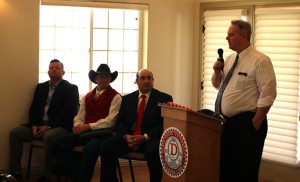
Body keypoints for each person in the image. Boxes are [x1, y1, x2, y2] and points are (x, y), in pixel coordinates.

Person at [211, 20, 277, 182]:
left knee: (244, 171)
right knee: (225, 169)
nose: (227, 38)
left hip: (247, 124)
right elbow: (217, 85)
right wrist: (216, 71)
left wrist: (256, 121)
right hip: (226, 124)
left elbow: (268, 93)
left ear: (244, 36)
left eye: (231, 34)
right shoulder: (230, 59)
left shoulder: (260, 60)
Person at [8, 59, 79, 182]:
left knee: (48, 136)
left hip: (58, 127)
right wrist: (34, 125)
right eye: (51, 67)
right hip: (39, 126)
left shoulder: (71, 88)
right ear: (48, 71)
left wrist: (49, 126)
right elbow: (33, 109)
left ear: (63, 72)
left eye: (57, 68)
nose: (54, 70)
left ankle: (44, 176)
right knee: (15, 133)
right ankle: (15, 172)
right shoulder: (40, 87)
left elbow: (69, 112)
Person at [51, 64, 122, 182]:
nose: (104, 79)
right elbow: (80, 115)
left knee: (90, 149)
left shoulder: (116, 97)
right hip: (83, 132)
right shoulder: (87, 96)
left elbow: (111, 121)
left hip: (100, 134)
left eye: (106, 77)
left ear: (110, 79)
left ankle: (83, 179)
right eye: (101, 76)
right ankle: (74, 175)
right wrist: (78, 125)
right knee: (57, 143)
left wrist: (88, 126)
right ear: (96, 79)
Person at [101, 69, 173, 182]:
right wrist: (126, 136)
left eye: (149, 78)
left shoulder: (164, 99)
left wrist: (144, 137)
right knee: (106, 146)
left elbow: (164, 123)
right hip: (129, 138)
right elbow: (120, 122)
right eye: (142, 78)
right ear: (137, 81)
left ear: (153, 80)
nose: (146, 81)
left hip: (150, 139)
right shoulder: (126, 99)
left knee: (154, 150)